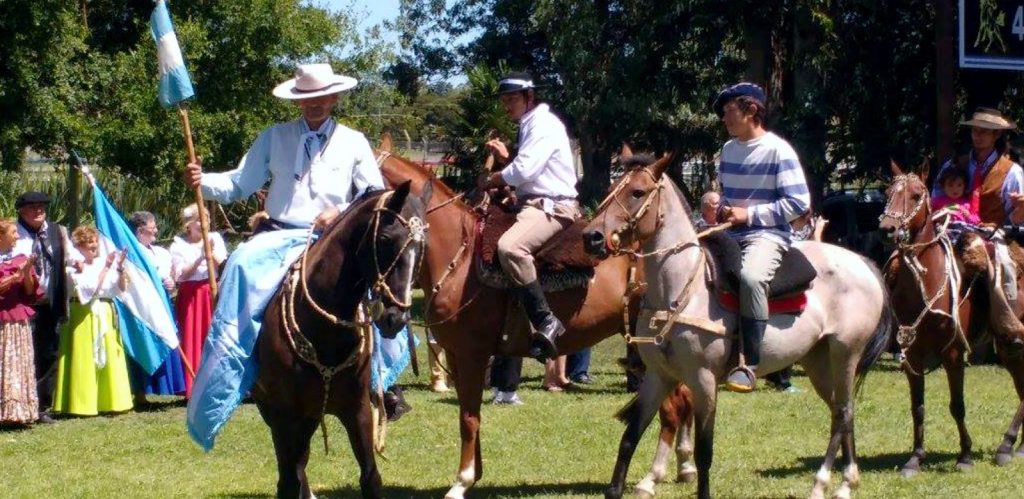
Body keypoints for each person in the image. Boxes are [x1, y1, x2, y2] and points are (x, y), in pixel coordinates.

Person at [184, 63, 409, 449]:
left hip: (335, 236)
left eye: (321, 97)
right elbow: (241, 183)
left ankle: (383, 379)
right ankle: (242, 369)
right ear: (298, 101)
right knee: (238, 265)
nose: (315, 104)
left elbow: (375, 195)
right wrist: (202, 180)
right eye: (306, 98)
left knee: (375, 280)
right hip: (280, 234)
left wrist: (339, 213)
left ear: (334, 97)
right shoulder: (274, 137)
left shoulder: (354, 141)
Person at [712, 82, 811, 393]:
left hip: (768, 235)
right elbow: (729, 197)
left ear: (750, 110)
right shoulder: (727, 151)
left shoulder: (779, 151)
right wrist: (724, 209)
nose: (724, 119)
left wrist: (748, 215)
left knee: (752, 279)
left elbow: (799, 204)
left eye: (729, 112)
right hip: (731, 233)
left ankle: (749, 364)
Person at [481, 72, 580, 361]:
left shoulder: (544, 124)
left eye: (512, 99)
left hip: (553, 207)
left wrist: (493, 178)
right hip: (533, 203)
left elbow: (524, 171)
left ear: (530, 97)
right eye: (504, 100)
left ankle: (545, 320)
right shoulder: (529, 124)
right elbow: (528, 176)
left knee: (511, 248)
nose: (507, 105)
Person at [52, 226, 134, 416]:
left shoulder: (102, 264)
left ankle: (109, 400)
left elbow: (121, 288)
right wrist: (106, 266)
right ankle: (81, 402)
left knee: (109, 356)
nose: (93, 248)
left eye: (95, 244)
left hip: (104, 311)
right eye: (89, 245)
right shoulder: (72, 268)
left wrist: (120, 267)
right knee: (83, 357)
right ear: (78, 247)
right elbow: (91, 289)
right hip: (82, 313)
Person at [12, 191, 70, 424]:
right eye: (32, 207)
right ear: (21, 212)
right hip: (21, 304)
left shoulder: (57, 232)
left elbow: (68, 258)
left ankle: (41, 406)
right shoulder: (12, 234)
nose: (38, 211)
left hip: (50, 302)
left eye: (42, 207)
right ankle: (18, 404)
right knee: (22, 353)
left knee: (49, 354)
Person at [169, 204, 228, 398]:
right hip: (192, 295)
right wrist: (200, 257)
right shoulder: (178, 245)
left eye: (208, 219)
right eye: (201, 219)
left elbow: (224, 265)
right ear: (189, 224)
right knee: (193, 336)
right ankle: (193, 384)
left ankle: (218, 383)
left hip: (212, 290)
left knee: (216, 335)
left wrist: (211, 253)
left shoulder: (215, 238)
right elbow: (181, 275)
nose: (206, 223)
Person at [127, 211, 186, 402]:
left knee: (166, 339)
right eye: (152, 228)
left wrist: (170, 282)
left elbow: (167, 274)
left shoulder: (159, 252)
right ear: (140, 230)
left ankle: (166, 386)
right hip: (142, 306)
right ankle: (141, 391)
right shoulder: (131, 252)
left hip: (162, 303)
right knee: (145, 342)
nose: (156, 231)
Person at [0, 219, 42, 425]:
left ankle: (18, 411)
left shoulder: (20, 259)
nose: (17, 236)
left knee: (18, 363)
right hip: (2, 319)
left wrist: (26, 273)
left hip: (17, 319)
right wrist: (16, 275)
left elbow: (29, 291)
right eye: (13, 232)